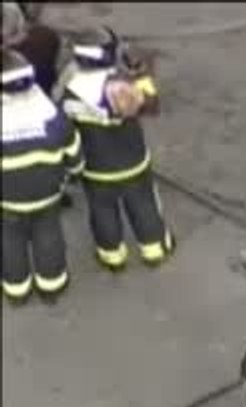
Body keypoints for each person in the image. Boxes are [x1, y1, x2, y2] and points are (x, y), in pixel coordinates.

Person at [58, 26, 173, 272]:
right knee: (143, 204)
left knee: (102, 211)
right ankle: (154, 249)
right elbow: (151, 105)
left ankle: (112, 256)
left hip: (95, 169)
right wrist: (142, 74)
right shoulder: (121, 88)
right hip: (133, 163)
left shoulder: (69, 91)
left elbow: (63, 125)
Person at [1, 49, 83, 304]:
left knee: (10, 241)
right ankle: (52, 285)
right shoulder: (50, 114)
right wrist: (75, 172)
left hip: (8, 200)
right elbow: (73, 150)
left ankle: (17, 291)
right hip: (48, 194)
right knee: (49, 236)